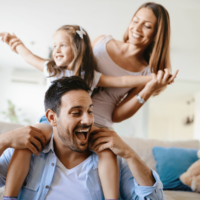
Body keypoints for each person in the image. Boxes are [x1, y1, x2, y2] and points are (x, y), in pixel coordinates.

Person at [0, 24, 156, 200]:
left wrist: (152, 78)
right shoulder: (51, 68)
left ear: (77, 49)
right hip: (47, 122)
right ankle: (9, 197)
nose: (56, 50)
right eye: (55, 46)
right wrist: (16, 43)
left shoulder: (90, 76)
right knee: (27, 142)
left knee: (107, 150)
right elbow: (28, 56)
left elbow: (122, 80)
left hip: (89, 126)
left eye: (62, 45)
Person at [0, 76, 165, 200]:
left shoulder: (111, 158)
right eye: (76, 112)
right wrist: (3, 141)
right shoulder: (27, 150)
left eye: (90, 111)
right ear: (52, 118)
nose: (88, 120)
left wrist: (130, 154)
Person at [91, 2, 178, 127]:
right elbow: (74, 70)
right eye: (135, 21)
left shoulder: (146, 72)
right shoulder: (100, 42)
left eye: (147, 26)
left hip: (98, 125)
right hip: (67, 115)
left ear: (156, 35)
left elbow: (116, 116)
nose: (136, 28)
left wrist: (148, 89)